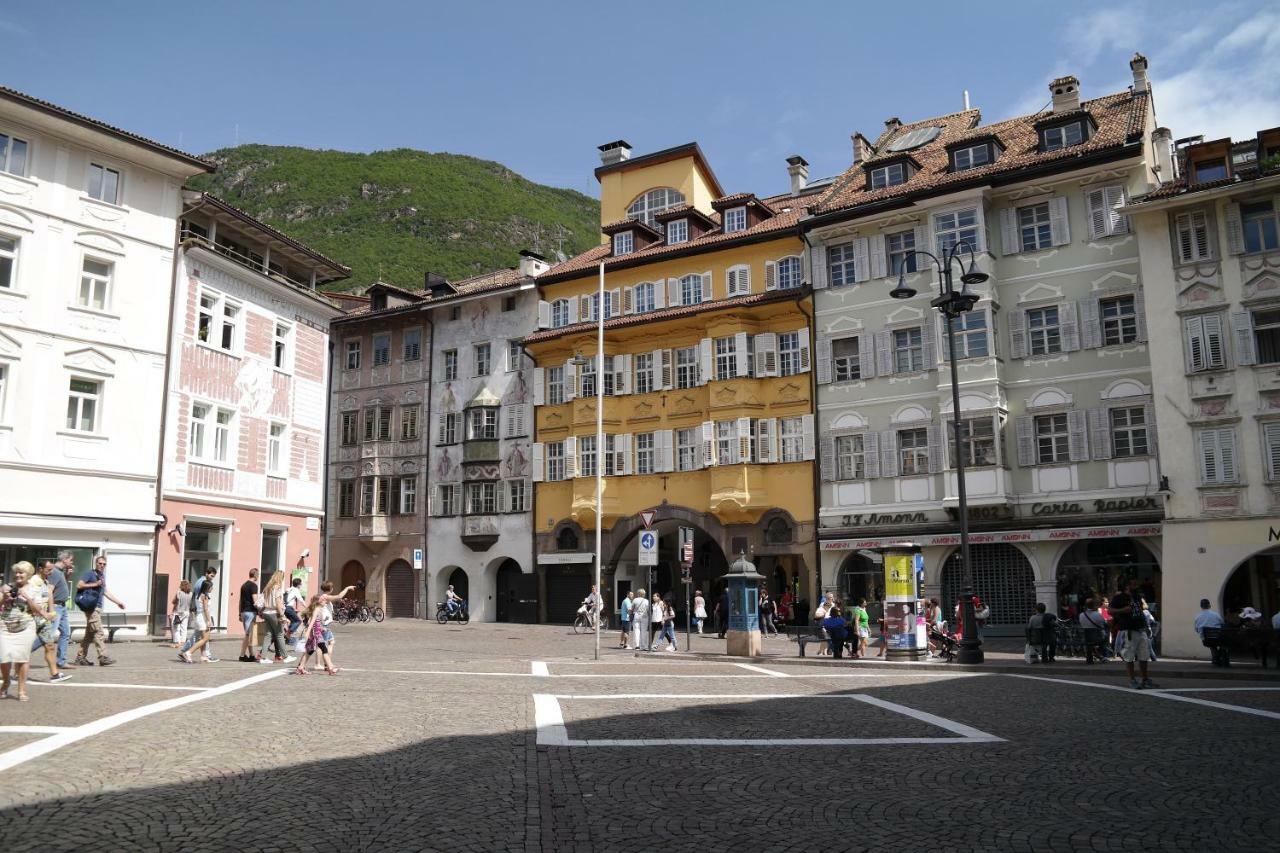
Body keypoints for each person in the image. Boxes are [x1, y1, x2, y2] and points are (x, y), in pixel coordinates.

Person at [2, 562, 55, 700]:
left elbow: (37, 609)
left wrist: (26, 596)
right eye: (17, 572)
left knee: (22, 658)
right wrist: (4, 598)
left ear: (28, 575)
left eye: (21, 573)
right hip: (5, 626)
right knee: (3, 657)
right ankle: (6, 681)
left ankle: (21, 690)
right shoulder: (6, 587)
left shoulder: (35, 589)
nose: (18, 575)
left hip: (25, 627)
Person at [74, 555, 123, 667]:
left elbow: (105, 592)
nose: (102, 565)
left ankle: (80, 657)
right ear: (96, 564)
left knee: (89, 635)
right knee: (98, 632)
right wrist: (95, 584)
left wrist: (118, 602)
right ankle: (103, 657)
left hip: (97, 608)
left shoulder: (101, 576)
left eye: (104, 564)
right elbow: (79, 585)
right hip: (92, 608)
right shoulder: (90, 573)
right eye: (100, 563)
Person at [26, 565, 71, 683]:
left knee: (50, 646)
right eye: (49, 570)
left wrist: (51, 612)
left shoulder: (45, 581)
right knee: (22, 647)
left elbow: (50, 594)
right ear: (40, 569)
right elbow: (29, 600)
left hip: (42, 620)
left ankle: (55, 675)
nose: (51, 572)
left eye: (51, 570)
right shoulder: (33, 582)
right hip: (31, 618)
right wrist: (42, 613)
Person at [1111, 580, 1157, 689]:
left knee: (1144, 656)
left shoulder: (1136, 596)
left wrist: (1145, 626)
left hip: (1141, 629)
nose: (1136, 586)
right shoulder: (1119, 598)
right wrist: (1123, 610)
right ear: (1127, 586)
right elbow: (1110, 610)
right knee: (1130, 656)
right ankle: (1132, 680)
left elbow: (1141, 610)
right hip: (1130, 630)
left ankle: (1145, 679)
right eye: (1133, 584)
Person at [179, 567, 219, 664]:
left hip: (200, 616)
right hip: (203, 617)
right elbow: (206, 609)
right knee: (205, 638)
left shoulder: (200, 592)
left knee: (200, 637)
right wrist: (209, 620)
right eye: (211, 576)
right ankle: (188, 652)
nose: (212, 588)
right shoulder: (204, 594)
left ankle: (203, 656)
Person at [294, 596, 338, 676]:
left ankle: (300, 668)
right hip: (316, 634)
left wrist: (321, 628)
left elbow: (315, 622)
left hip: (316, 633)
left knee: (309, 651)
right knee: (324, 649)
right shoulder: (317, 609)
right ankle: (330, 668)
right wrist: (308, 630)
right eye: (324, 600)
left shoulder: (317, 609)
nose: (326, 601)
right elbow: (312, 621)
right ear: (319, 601)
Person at [256, 571, 294, 664]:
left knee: (268, 635)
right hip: (274, 613)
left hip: (266, 612)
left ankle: (263, 657)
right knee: (280, 635)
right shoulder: (277, 588)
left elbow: (263, 601)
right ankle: (285, 656)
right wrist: (282, 615)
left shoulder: (268, 588)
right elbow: (278, 603)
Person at [1193, 598, 1228, 667]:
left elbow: (1196, 630)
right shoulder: (1216, 615)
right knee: (1221, 642)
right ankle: (1217, 658)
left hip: (1206, 640)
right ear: (1209, 605)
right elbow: (1222, 624)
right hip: (1218, 638)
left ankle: (1215, 659)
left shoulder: (1198, 617)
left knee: (1212, 644)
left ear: (1201, 606)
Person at [237, 568, 262, 662]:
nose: (258, 576)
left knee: (250, 635)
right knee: (248, 635)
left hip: (243, 612)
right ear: (255, 575)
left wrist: (239, 613)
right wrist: (260, 611)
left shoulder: (243, 585)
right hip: (250, 612)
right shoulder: (253, 586)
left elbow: (240, 601)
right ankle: (242, 655)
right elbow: (255, 600)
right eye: (258, 575)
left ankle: (251, 655)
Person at [1078, 598, 1109, 664]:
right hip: (1097, 636)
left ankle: (1092, 658)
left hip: (1086, 636)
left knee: (1089, 644)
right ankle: (1104, 656)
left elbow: (1082, 624)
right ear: (1094, 606)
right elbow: (1103, 624)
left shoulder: (1081, 615)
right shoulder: (1098, 614)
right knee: (1104, 639)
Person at [170, 579, 192, 649]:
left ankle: (177, 643)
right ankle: (183, 642)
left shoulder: (179, 593)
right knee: (184, 628)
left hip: (178, 612)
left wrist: (172, 612)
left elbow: (174, 602)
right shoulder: (190, 593)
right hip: (187, 612)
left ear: (182, 585)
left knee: (176, 627)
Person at [631, 588, 649, 654]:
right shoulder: (647, 601)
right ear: (644, 594)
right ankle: (643, 646)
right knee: (644, 631)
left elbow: (631, 608)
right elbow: (648, 610)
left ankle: (637, 645)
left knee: (636, 630)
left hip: (636, 615)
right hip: (644, 616)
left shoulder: (635, 600)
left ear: (638, 593)